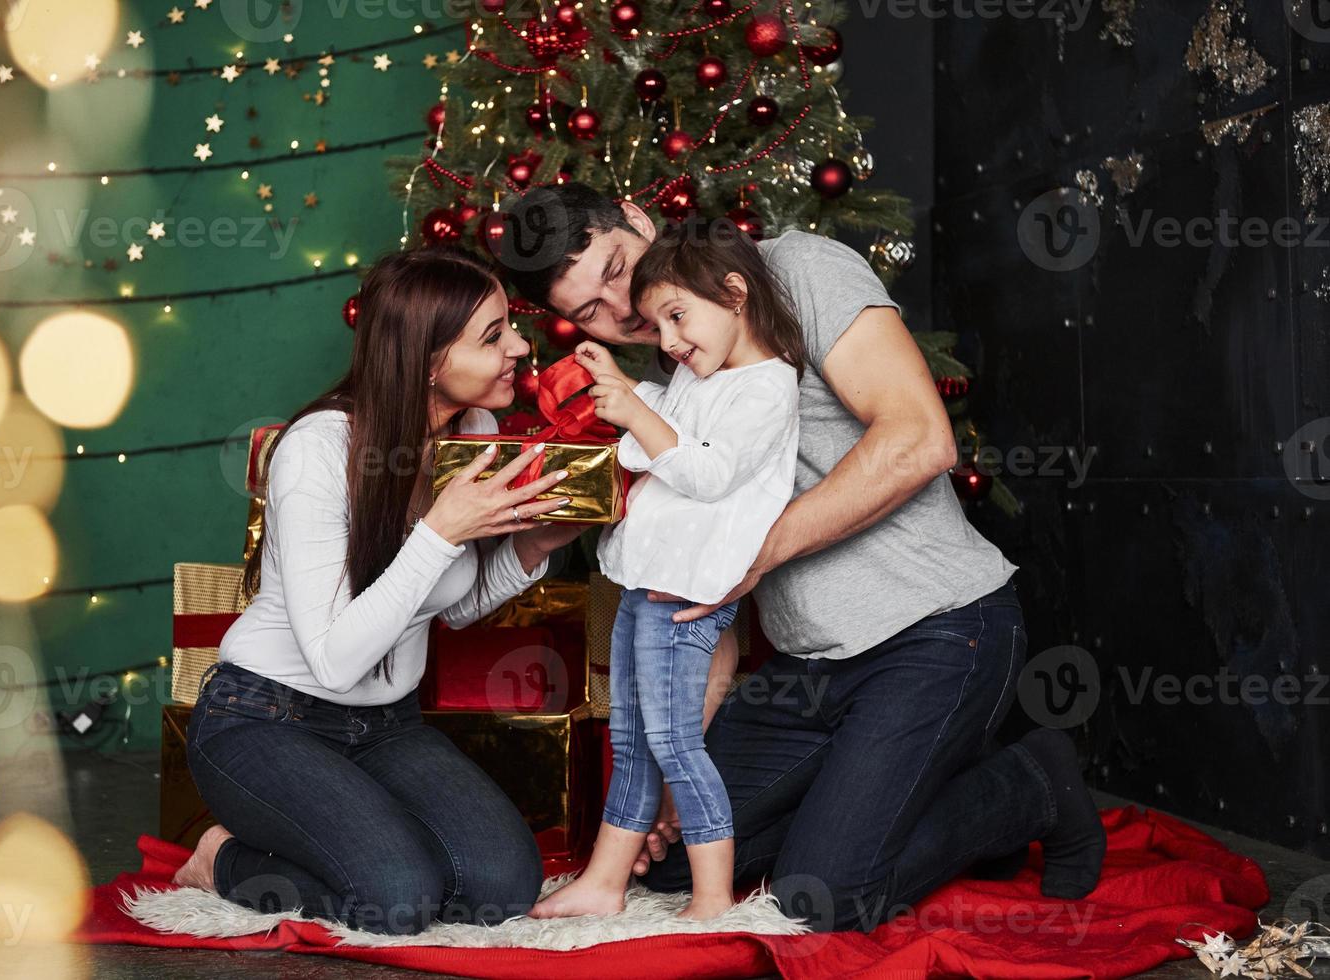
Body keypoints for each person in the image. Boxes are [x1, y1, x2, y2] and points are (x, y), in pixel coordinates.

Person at [496, 184, 1106, 931]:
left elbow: (919, 437)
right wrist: (668, 767)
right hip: (810, 667)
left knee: (823, 896)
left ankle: (1029, 783)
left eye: (617, 266)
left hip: (936, 628)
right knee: (686, 856)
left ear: (635, 217)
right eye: (589, 311)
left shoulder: (797, 270)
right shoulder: (663, 380)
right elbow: (697, 599)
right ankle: (902, 798)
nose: (623, 309)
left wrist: (747, 554)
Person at [172, 247, 587, 935]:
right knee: (396, 901)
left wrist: (529, 547)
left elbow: (447, 604)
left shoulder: (471, 434)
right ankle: (222, 860)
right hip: (265, 720)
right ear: (428, 362)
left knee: (502, 887)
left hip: (386, 727)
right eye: (492, 335)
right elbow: (336, 659)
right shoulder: (320, 450)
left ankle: (364, 837)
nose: (519, 344)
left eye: (509, 324)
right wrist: (441, 532)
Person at [531, 221, 802, 921]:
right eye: (657, 323)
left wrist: (638, 417)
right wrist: (620, 391)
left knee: (675, 742)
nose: (670, 339)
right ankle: (603, 880)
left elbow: (706, 472)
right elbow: (644, 448)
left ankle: (711, 897)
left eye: (677, 316)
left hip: (686, 594)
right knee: (631, 738)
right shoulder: (692, 374)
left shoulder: (766, 387)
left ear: (734, 292)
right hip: (641, 584)